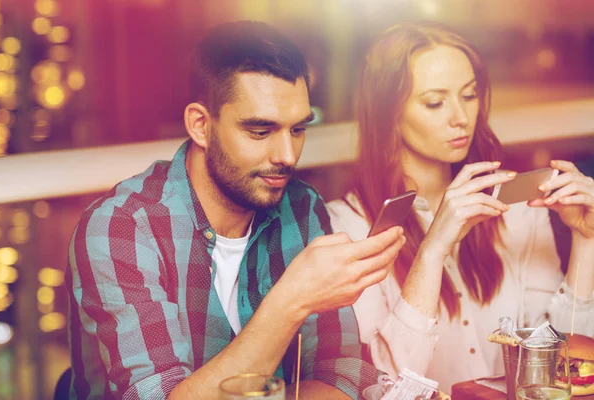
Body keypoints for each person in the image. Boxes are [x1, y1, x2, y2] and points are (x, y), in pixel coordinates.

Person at [66, 21, 406, 400]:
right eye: (260, 132)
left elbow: (342, 375)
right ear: (200, 125)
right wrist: (291, 301)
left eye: (297, 130)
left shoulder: (301, 207)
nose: (287, 156)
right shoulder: (121, 228)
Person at [327, 21, 594, 392]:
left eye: (469, 96)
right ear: (388, 112)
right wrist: (433, 249)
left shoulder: (515, 202)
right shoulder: (347, 225)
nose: (460, 117)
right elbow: (385, 388)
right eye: (435, 102)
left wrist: (586, 239)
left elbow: (561, 363)